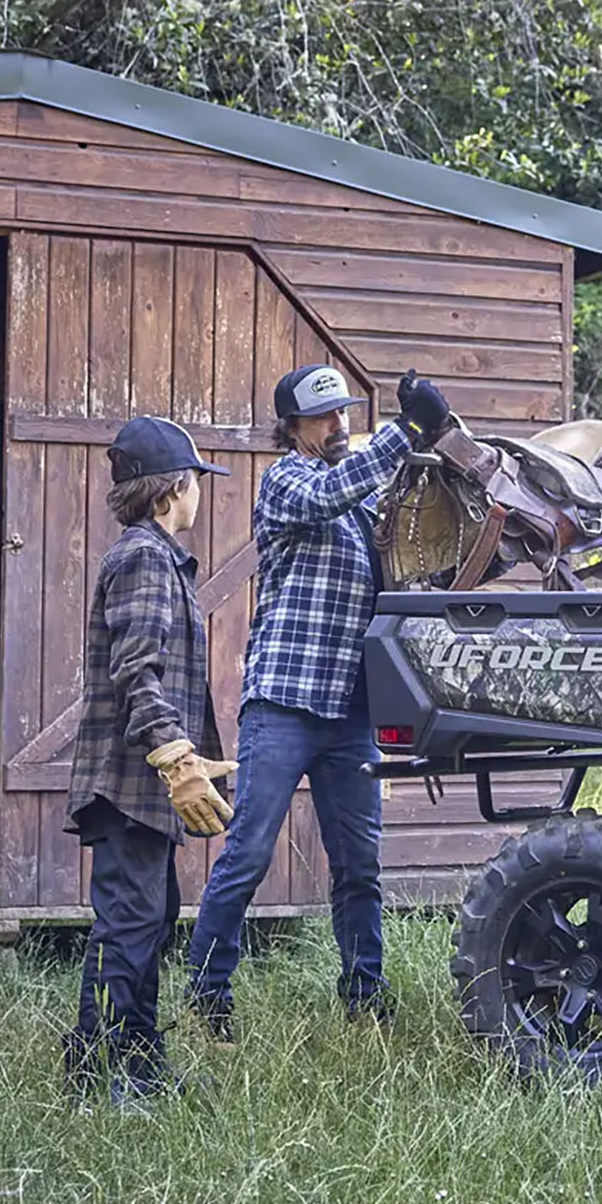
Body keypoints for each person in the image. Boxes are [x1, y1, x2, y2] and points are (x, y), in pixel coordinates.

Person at [183, 364, 450, 1039]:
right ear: (293, 427)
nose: (337, 427)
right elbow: (332, 490)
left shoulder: (365, 499)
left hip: (351, 713)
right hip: (285, 701)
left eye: (342, 415)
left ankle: (366, 1001)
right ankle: (207, 999)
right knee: (246, 855)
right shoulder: (288, 483)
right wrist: (408, 431)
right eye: (322, 418)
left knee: (359, 866)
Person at [63, 417, 238, 1105]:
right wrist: (175, 758)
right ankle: (95, 1074)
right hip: (132, 780)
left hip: (145, 789)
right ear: (174, 488)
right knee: (128, 925)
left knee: (151, 917)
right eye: (196, 482)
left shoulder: (157, 558)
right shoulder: (141, 557)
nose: (200, 495)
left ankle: (139, 1059)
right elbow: (139, 671)